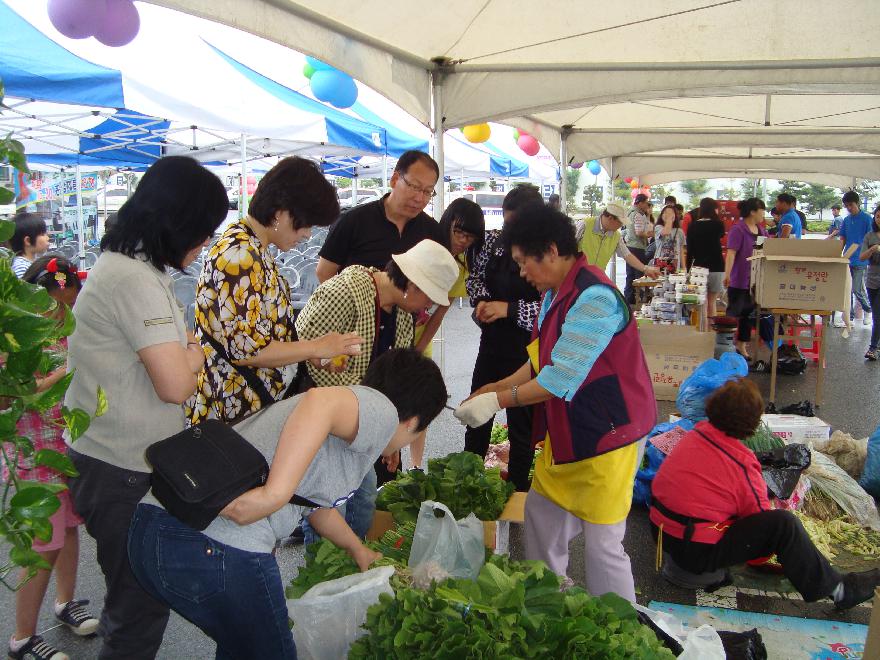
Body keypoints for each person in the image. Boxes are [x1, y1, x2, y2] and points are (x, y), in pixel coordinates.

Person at [128, 349, 448, 660]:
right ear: (413, 422)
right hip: (215, 547)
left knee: (241, 647)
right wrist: (274, 495)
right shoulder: (381, 411)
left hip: (156, 527)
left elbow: (316, 507)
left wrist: (358, 549)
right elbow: (321, 401)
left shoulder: (347, 432)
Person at [64, 156, 228, 660]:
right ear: (176, 223)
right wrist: (197, 351)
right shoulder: (134, 279)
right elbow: (177, 384)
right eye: (202, 232)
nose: (203, 244)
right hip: (121, 468)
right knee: (137, 608)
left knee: (137, 598)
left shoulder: (126, 265)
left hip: (111, 458)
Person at [455, 204, 656, 601]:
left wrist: (499, 400)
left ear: (550, 250)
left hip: (609, 436)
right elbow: (538, 361)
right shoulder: (553, 294)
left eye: (523, 263)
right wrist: (494, 386)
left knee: (602, 543)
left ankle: (619, 628)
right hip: (569, 434)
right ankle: (548, 603)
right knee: (542, 518)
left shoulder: (595, 297)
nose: (521, 273)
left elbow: (559, 378)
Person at [650, 378, 880, 611]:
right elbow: (759, 525)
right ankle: (840, 591)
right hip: (694, 548)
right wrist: (765, 558)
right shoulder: (741, 462)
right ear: (752, 423)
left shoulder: (693, 437)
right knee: (783, 524)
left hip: (661, 535)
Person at [294, 240, 459, 539]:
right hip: (322, 425)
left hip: (361, 427)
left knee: (363, 502)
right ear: (413, 285)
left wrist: (389, 437)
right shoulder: (345, 291)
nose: (427, 308)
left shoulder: (402, 316)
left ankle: (353, 561)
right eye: (428, 300)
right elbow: (298, 349)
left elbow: (395, 382)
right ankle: (321, 575)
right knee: (327, 509)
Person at [186, 157, 362, 426]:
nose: (306, 234)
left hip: (249, 402)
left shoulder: (251, 247)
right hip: (239, 409)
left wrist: (311, 353)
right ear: (280, 212)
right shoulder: (240, 255)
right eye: (305, 224)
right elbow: (246, 351)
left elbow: (256, 336)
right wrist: (316, 346)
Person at [7, 257, 99, 660]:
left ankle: (66, 603)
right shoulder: (15, 334)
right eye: (59, 302)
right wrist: (58, 376)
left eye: (69, 302)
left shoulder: (66, 326)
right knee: (42, 541)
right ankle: (22, 638)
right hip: (32, 452)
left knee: (70, 530)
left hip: (66, 445)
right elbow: (9, 397)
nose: (65, 311)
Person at [464, 185, 543, 493]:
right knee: (478, 411)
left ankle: (519, 490)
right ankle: (468, 481)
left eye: (518, 224)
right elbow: (475, 277)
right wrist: (482, 301)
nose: (511, 231)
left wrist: (508, 309)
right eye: (508, 223)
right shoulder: (494, 242)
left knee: (521, 426)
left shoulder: (545, 253)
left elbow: (550, 309)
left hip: (528, 349)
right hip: (492, 344)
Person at [316, 150, 444, 282]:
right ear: (394, 180)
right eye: (415, 187)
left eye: (428, 191)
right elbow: (324, 273)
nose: (419, 198)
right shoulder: (352, 221)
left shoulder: (432, 231)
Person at [413, 197, 485, 355]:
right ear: (447, 223)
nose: (463, 240)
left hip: (421, 340)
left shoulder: (462, 265)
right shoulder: (423, 248)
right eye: (458, 232)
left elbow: (439, 313)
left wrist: (419, 349)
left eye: (470, 237)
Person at [724, 198, 769, 359]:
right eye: (761, 210)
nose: (763, 214)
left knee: (748, 316)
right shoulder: (738, 229)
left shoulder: (762, 231)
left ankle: (741, 346)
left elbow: (766, 252)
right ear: (752, 211)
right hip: (738, 280)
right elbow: (731, 253)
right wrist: (727, 274)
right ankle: (725, 346)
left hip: (755, 282)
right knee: (733, 314)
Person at [578, 203, 661, 278]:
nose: (621, 226)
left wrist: (645, 268)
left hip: (597, 277)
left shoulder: (616, 235)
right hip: (576, 276)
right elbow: (565, 249)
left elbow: (626, 255)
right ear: (610, 218)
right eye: (620, 222)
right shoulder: (584, 225)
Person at [686, 197, 725, 318]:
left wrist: (687, 270)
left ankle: (703, 330)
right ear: (714, 209)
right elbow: (722, 234)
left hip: (699, 268)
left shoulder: (692, 226)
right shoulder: (718, 224)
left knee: (702, 302)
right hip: (717, 266)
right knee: (712, 302)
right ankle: (712, 330)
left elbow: (690, 251)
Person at [841, 190, 873, 327]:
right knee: (848, 289)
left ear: (857, 203)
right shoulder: (846, 220)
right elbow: (843, 238)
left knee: (857, 289)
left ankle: (868, 310)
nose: (849, 208)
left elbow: (871, 238)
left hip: (861, 259)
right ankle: (851, 317)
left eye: (851, 205)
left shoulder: (866, 218)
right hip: (847, 258)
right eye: (846, 205)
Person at [623, 194, 653, 303]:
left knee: (630, 275)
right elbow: (639, 232)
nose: (647, 205)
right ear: (640, 203)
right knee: (639, 276)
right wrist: (650, 235)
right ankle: (638, 301)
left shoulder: (630, 212)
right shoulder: (638, 215)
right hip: (637, 248)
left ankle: (628, 300)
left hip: (630, 247)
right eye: (646, 202)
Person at [859, 206, 880, 360]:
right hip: (872, 280)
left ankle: (873, 347)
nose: (879, 219)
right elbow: (861, 257)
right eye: (878, 216)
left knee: (878, 316)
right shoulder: (869, 236)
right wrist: (872, 249)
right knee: (876, 316)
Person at [9, 213, 50, 278]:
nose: (48, 238)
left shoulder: (31, 263)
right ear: (28, 241)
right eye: (42, 234)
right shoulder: (22, 268)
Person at [651, 204, 685, 274]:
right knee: (660, 283)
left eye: (671, 213)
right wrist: (669, 219)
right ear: (661, 215)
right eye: (665, 212)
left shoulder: (679, 231)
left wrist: (684, 268)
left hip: (674, 263)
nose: (668, 215)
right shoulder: (658, 227)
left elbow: (681, 250)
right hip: (660, 262)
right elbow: (666, 232)